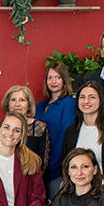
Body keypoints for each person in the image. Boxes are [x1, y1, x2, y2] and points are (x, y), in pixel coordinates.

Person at [60, 80, 104, 190]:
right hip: (76, 190)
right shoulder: (71, 131)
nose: (86, 101)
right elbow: (65, 162)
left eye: (92, 97)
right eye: (82, 97)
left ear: (101, 100)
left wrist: (101, 184)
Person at [35, 61, 78, 194]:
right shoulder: (39, 106)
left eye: (58, 77)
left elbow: (65, 136)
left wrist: (51, 165)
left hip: (57, 168)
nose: (54, 81)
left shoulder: (69, 103)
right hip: (37, 169)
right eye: (50, 77)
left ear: (65, 80)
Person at [0, 84, 49, 174]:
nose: (17, 104)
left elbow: (42, 163)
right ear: (8, 104)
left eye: (22, 100)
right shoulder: (1, 127)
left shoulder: (40, 127)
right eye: (13, 100)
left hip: (31, 177)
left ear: (29, 105)